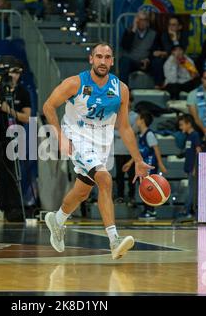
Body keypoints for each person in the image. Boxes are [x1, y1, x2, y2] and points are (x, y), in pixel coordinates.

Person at [42, 42, 154, 260]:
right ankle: (114, 240)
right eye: (99, 56)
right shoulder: (74, 83)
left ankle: (57, 220)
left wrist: (138, 160)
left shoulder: (121, 89)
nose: (103, 61)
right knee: (105, 179)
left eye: (107, 57)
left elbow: (124, 127)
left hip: (102, 143)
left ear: (112, 61)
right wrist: (60, 136)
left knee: (82, 192)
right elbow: (48, 106)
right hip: (76, 138)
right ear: (91, 59)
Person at [0, 57, 32, 222]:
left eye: (18, 73)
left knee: (13, 173)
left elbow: (26, 117)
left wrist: (9, 110)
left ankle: (14, 208)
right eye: (12, 72)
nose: (15, 76)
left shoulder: (22, 92)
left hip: (14, 136)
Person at [122, 111, 168, 221]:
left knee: (149, 189)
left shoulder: (149, 134)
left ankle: (151, 211)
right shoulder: (141, 135)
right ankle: (147, 209)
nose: (136, 121)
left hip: (150, 166)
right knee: (144, 189)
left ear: (142, 121)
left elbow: (156, 149)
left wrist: (161, 164)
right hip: (143, 167)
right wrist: (129, 163)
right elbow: (139, 152)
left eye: (137, 118)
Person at [119, 11, 156, 85]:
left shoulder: (153, 34)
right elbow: (125, 47)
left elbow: (155, 50)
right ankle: (124, 90)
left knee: (157, 62)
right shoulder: (129, 31)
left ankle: (159, 87)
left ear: (148, 22)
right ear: (136, 21)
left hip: (145, 62)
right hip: (131, 61)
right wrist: (134, 29)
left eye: (144, 20)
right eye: (140, 20)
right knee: (124, 61)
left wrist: (148, 59)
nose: (142, 22)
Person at [113, 94, 137, 206]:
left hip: (130, 151)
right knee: (119, 176)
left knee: (132, 175)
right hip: (118, 150)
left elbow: (131, 132)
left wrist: (119, 131)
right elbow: (110, 130)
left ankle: (132, 196)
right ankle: (120, 196)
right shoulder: (115, 115)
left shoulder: (135, 116)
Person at [178, 114, 201, 219]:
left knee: (191, 191)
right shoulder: (188, 136)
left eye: (182, 125)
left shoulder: (195, 135)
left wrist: (196, 167)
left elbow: (198, 152)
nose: (180, 127)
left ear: (189, 124)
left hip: (193, 169)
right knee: (190, 190)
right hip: (189, 168)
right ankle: (189, 210)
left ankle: (187, 210)